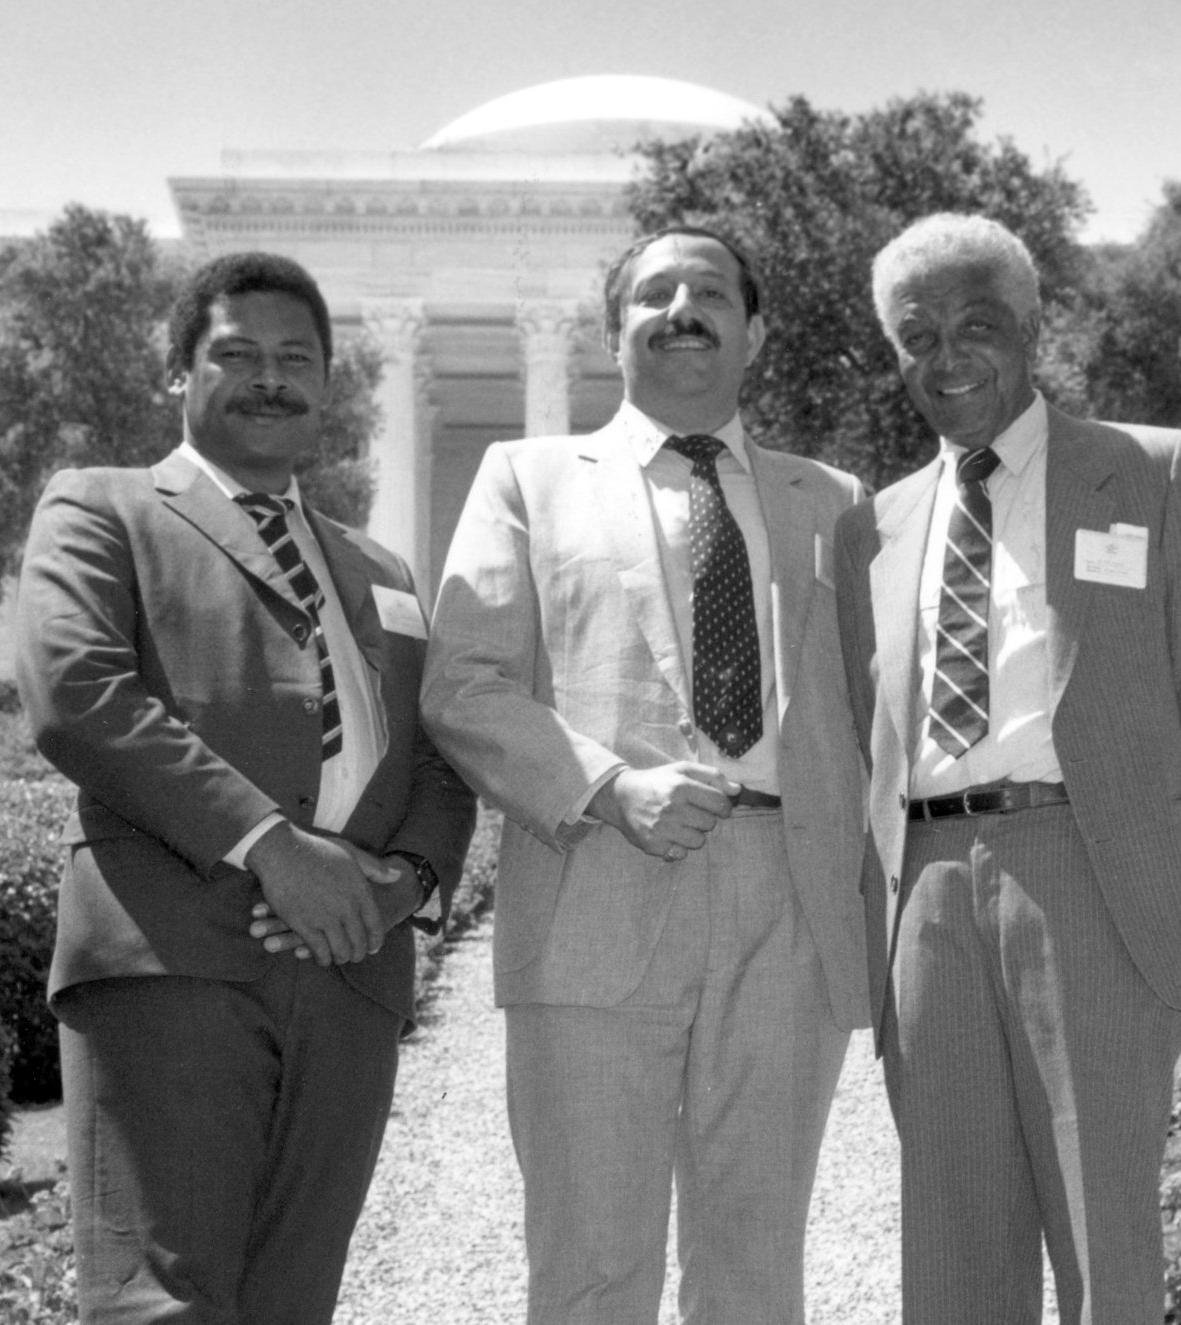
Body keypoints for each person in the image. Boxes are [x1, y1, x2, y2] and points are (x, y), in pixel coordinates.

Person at [13, 251, 476, 1323]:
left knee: (291, 1299)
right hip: (173, 953)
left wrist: (398, 882)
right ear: (179, 372)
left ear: (327, 383)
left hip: (351, 973)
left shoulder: (383, 571)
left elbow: (439, 753)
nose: (270, 377)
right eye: (238, 353)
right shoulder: (102, 507)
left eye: (295, 358)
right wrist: (275, 846)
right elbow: (77, 694)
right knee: (157, 1300)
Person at [421, 225, 869, 1324]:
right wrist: (608, 786)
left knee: (754, 1264)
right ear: (612, 329)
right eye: (652, 292)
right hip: (595, 886)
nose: (682, 308)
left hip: (787, 905)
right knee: (589, 1262)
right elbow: (465, 681)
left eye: (709, 291)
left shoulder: (833, 500)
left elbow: (876, 706)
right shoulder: (523, 478)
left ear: (753, 332)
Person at [834, 213, 1181, 1324]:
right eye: (915, 333)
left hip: (1088, 868)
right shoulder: (869, 529)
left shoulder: (1153, 468)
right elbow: (859, 726)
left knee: (1101, 1227)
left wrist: (1148, 854)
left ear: (1031, 327)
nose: (946, 354)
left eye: (976, 322)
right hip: (922, 886)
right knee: (951, 1229)